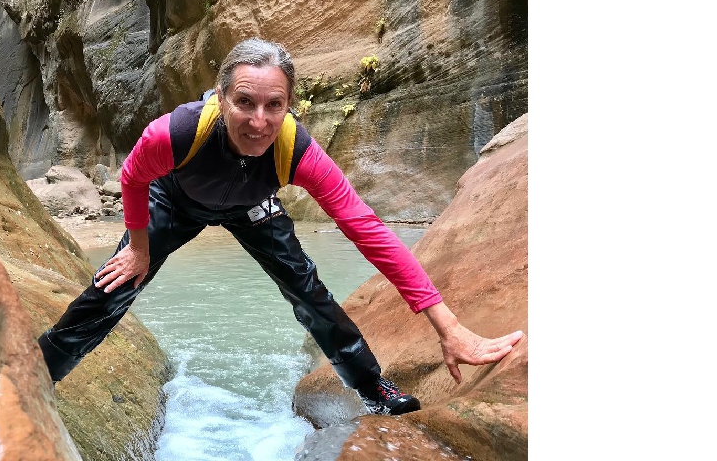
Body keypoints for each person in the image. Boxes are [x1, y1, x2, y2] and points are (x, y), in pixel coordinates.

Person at [38, 38, 523, 415]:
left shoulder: (298, 151)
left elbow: (367, 230)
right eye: (245, 102)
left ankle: (373, 389)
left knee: (308, 291)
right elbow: (133, 177)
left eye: (274, 105)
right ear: (221, 98)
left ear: (290, 105)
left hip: (252, 206)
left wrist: (449, 327)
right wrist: (139, 248)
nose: (259, 121)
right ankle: (37, 372)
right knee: (117, 283)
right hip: (175, 199)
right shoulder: (177, 132)